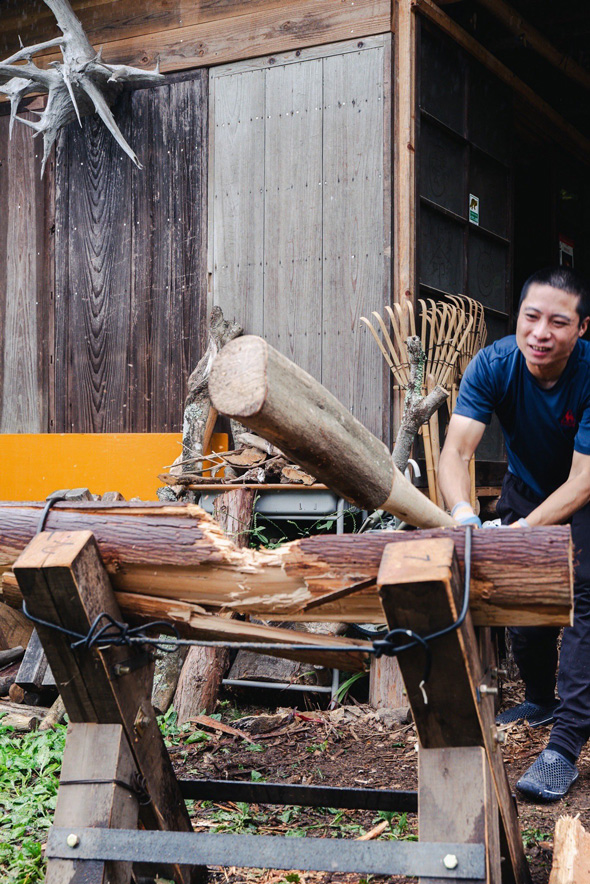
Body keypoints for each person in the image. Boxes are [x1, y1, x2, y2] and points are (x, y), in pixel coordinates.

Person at [438, 265, 590, 802]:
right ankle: (542, 699)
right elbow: (456, 450)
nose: (541, 332)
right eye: (531, 317)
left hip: (584, 489)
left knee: (580, 597)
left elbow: (582, 483)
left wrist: (523, 530)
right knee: (519, 599)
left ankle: (565, 743)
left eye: (558, 321)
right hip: (526, 485)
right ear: (518, 317)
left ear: (582, 328)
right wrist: (463, 515)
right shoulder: (494, 364)